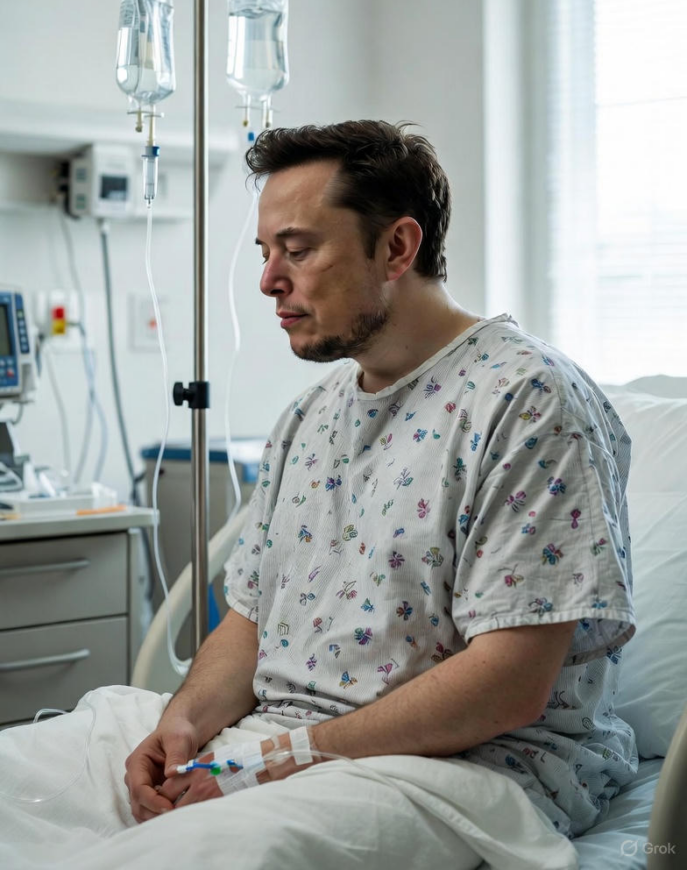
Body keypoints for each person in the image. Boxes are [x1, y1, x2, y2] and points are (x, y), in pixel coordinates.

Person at [0, 120, 637, 870]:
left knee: (197, 855)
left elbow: (510, 685)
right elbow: (250, 620)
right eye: (265, 252)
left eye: (297, 250)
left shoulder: (525, 400)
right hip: (271, 742)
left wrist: (279, 760)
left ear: (396, 248)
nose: (268, 280)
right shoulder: (309, 416)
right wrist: (183, 724)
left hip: (457, 770)